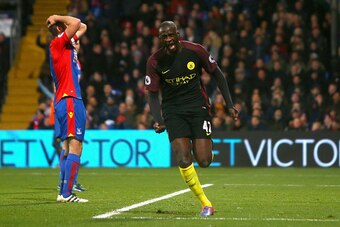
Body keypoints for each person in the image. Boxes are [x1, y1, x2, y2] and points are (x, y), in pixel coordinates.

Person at [144, 21, 239, 216]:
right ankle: (205, 203)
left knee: (203, 160)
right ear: (160, 39)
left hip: (198, 107)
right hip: (173, 111)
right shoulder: (154, 61)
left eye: (171, 35)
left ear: (177, 34)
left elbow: (218, 75)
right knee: (183, 157)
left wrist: (229, 104)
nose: (169, 39)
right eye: (164, 37)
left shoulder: (195, 51)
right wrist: (158, 118)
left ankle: (207, 149)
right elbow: (152, 93)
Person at [46, 14, 88, 203]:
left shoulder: (65, 45)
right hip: (69, 98)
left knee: (67, 146)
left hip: (67, 99)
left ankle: (63, 190)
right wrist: (57, 17)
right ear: (61, 30)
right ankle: (66, 193)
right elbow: (77, 22)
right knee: (75, 145)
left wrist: (60, 22)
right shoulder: (58, 43)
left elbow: (83, 26)